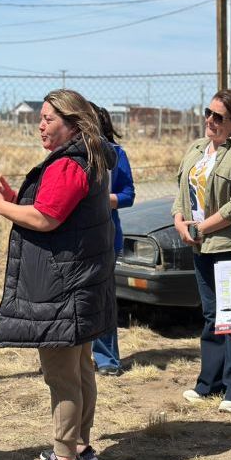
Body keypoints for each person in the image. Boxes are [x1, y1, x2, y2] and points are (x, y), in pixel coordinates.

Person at [0, 89, 117, 460]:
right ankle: (80, 448)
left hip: (63, 286)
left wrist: (1, 208)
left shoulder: (70, 164)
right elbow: (55, 211)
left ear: (73, 123)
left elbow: (47, 219)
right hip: (77, 281)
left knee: (62, 376)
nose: (40, 124)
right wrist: (13, 200)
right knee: (80, 368)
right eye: (41, 117)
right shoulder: (88, 158)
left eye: (49, 118)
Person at [172, 88, 231, 414]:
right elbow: (181, 190)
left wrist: (203, 227)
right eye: (208, 113)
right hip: (199, 244)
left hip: (228, 244)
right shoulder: (197, 148)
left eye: (218, 116)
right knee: (211, 315)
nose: (210, 120)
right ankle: (209, 383)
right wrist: (180, 221)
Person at [90, 103, 135, 376]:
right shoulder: (66, 154)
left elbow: (128, 194)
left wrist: (102, 200)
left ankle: (107, 360)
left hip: (106, 238)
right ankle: (75, 357)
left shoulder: (116, 154)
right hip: (73, 240)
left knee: (103, 299)